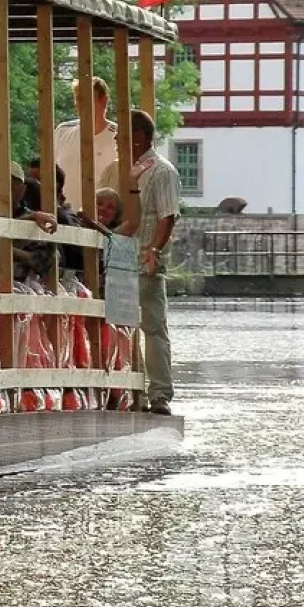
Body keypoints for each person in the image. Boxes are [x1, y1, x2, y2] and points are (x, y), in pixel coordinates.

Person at [117, 109, 181, 416]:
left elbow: (167, 216)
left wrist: (154, 249)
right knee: (126, 326)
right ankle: (134, 390)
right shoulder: (123, 169)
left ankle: (158, 394)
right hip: (123, 257)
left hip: (144, 256)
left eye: (124, 135)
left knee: (152, 327)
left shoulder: (162, 171)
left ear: (139, 137)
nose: (118, 139)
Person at [54, 76, 119, 208]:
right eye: (78, 99)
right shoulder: (62, 132)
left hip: (101, 220)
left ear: (104, 101)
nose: (80, 104)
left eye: (87, 99)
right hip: (64, 217)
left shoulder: (119, 136)